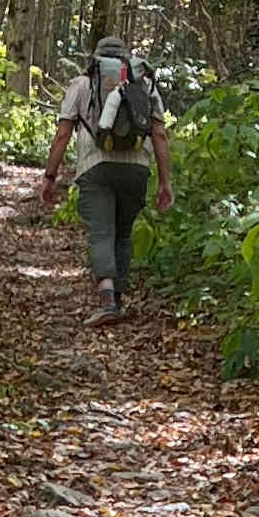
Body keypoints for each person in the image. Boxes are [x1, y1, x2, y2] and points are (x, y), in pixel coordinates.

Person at [40, 33, 173, 323]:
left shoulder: (82, 84)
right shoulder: (145, 85)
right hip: (137, 168)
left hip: (95, 166)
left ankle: (107, 298)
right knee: (123, 232)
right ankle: (118, 300)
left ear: (96, 58)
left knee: (101, 231)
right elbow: (160, 134)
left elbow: (63, 133)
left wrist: (50, 177)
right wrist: (165, 182)